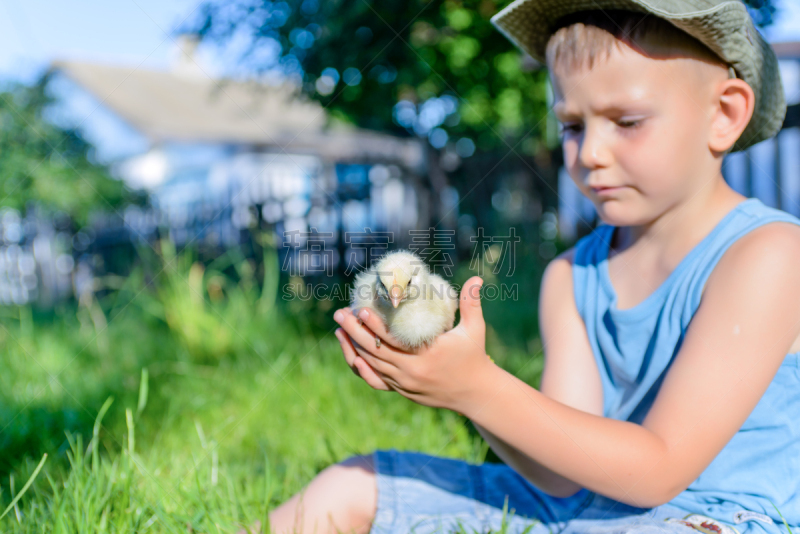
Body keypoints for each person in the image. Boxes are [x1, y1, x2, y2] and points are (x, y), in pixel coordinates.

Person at [267, 1, 800, 533]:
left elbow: (660, 469)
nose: (589, 153)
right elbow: (557, 477)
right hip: (577, 507)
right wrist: (459, 387)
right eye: (570, 125)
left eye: (627, 121)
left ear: (724, 114)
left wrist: (478, 388)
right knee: (350, 484)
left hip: (709, 518)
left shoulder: (767, 255)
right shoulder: (571, 276)